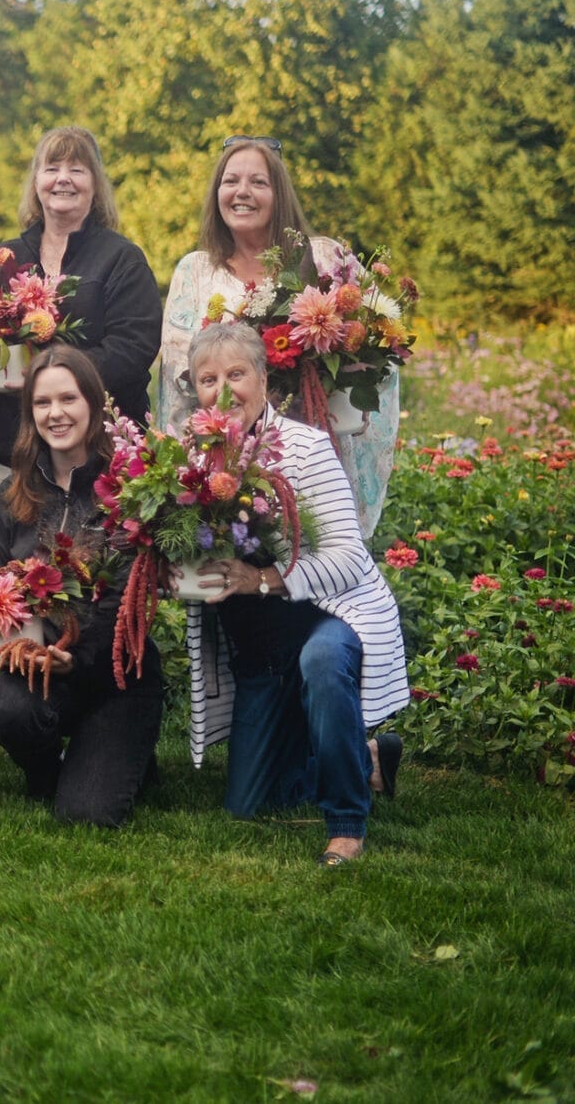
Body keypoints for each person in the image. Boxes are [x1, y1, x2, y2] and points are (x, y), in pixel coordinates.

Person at [181, 322, 407, 866]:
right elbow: (185, 553)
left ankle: (346, 823)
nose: (224, 390)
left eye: (237, 374)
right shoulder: (189, 461)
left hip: (330, 615)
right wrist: (178, 572)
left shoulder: (304, 447)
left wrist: (261, 579)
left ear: (263, 379)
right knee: (251, 804)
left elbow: (349, 560)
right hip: (263, 649)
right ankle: (367, 755)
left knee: (323, 660)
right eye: (208, 379)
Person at [160, 136, 400, 537]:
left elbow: (377, 349)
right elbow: (176, 382)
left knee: (318, 574)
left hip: (315, 458)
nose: (242, 192)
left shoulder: (324, 258)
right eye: (230, 181)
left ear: (279, 194)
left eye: (258, 182)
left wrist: (326, 382)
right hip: (230, 472)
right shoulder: (195, 271)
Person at [0, 347, 161, 827]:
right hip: (38, 671)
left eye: (68, 399)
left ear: (95, 405)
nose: (55, 414)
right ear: (30, 412)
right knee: (10, 706)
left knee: (87, 815)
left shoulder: (129, 487)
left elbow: (127, 600)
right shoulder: (13, 494)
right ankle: (45, 772)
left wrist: (74, 657)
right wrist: (13, 640)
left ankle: (115, 750)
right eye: (42, 403)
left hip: (117, 677)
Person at [0, 127, 159, 471]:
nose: (63, 179)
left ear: (95, 184)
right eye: (51, 169)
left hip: (103, 453)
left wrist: (49, 378)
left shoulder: (122, 259)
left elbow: (131, 349)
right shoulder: (6, 259)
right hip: (19, 452)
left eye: (77, 170)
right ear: (36, 182)